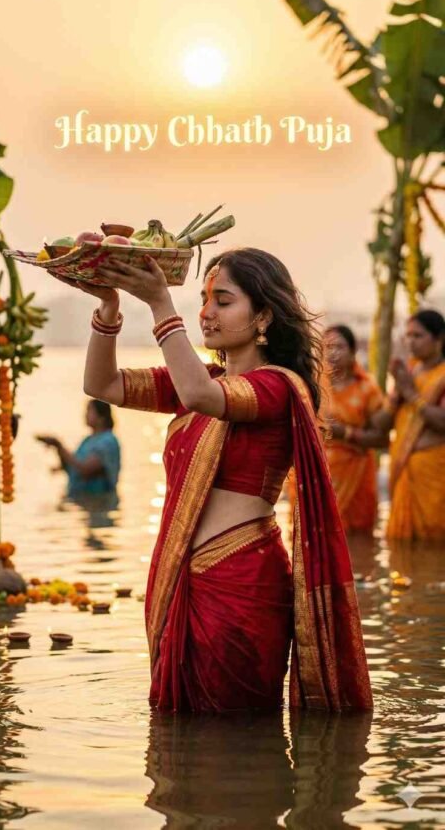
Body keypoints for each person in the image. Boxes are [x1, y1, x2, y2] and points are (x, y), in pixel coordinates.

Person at [71, 246, 372, 713]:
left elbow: (200, 394)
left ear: (264, 317)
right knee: (181, 744)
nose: (207, 313)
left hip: (243, 580)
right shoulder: (203, 379)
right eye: (203, 300)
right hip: (185, 580)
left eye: (223, 301)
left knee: (237, 737)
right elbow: (102, 385)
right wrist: (108, 308)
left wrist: (159, 304)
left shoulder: (277, 386)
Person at [376, 310, 445, 543]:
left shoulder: (442, 375)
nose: (411, 342)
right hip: (403, 468)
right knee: (400, 544)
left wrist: (412, 395)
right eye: (408, 336)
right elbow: (381, 423)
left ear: (439, 338)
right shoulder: (409, 371)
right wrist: (396, 395)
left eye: (418, 335)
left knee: (434, 544)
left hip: (435, 474)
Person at [322, 325, 386, 535]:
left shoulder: (367, 388)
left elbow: (381, 439)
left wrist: (345, 433)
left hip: (356, 474)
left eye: (339, 346)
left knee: (358, 540)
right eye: (328, 346)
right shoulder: (311, 386)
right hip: (317, 474)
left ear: (352, 353)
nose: (333, 352)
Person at [36, 399, 121, 498]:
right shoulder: (88, 440)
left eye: (89, 410)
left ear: (101, 417)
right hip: (81, 500)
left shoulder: (108, 440)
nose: (85, 415)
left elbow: (86, 469)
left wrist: (59, 444)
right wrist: (57, 448)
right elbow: (72, 466)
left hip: (100, 502)